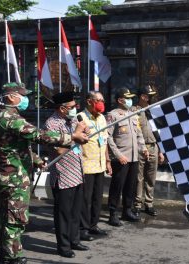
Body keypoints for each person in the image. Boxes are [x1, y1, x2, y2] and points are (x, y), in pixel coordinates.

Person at [0, 83, 89, 264]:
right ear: (12, 97)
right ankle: (12, 257)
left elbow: (20, 147)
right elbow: (39, 135)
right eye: (23, 95)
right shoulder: (10, 117)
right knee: (15, 219)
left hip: (13, 175)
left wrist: (37, 160)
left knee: (8, 218)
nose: (25, 99)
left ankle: (6, 254)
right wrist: (72, 137)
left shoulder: (9, 116)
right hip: (13, 178)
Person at [45, 92, 90, 258]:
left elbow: (82, 140)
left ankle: (74, 240)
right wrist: (75, 136)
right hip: (63, 174)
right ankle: (63, 246)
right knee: (63, 213)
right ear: (62, 108)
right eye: (72, 107)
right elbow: (58, 151)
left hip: (77, 172)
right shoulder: (51, 124)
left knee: (75, 210)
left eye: (75, 106)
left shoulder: (72, 120)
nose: (75, 109)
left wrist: (84, 134)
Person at [106, 87, 148, 226]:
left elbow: (139, 134)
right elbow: (108, 137)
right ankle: (113, 213)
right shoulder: (113, 115)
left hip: (134, 156)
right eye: (127, 98)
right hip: (121, 158)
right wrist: (118, 155)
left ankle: (127, 210)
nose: (130, 101)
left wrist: (143, 148)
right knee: (117, 186)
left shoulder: (133, 114)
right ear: (120, 100)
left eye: (131, 98)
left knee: (131, 185)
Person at [78, 91, 112, 239]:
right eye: (98, 100)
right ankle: (83, 228)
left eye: (102, 100)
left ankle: (93, 224)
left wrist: (108, 161)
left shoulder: (102, 119)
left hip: (100, 164)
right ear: (89, 101)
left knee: (98, 198)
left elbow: (104, 141)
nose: (101, 103)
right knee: (85, 199)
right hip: (86, 164)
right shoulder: (80, 118)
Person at [132, 85, 165, 217]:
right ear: (142, 96)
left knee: (151, 177)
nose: (151, 98)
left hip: (153, 146)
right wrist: (142, 147)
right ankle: (137, 204)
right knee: (139, 177)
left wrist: (160, 151)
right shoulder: (134, 111)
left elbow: (158, 133)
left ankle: (149, 203)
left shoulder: (152, 111)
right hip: (140, 147)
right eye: (148, 95)